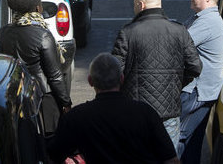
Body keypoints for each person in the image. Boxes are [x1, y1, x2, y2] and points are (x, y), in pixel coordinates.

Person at [112, 0, 202, 148]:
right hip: (169, 113)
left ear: (141, 5)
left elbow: (114, 72)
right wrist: (177, 82)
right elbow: (195, 67)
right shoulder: (179, 31)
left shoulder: (128, 32)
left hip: (135, 113)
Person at [48, 53, 180, 164]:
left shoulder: (76, 117)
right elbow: (171, 159)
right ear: (121, 79)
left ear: (90, 81)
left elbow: (54, 155)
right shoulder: (145, 112)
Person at [0, 0, 71, 134]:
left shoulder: (3, 33)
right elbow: (54, 76)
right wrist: (66, 102)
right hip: (43, 99)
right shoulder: (43, 35)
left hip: (14, 97)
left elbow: (0, 66)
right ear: (38, 8)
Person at [178, 0, 223, 163]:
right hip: (200, 90)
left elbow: (179, 44)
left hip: (196, 92)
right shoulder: (201, 18)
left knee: (181, 138)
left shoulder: (208, 22)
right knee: (191, 140)